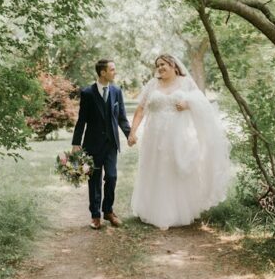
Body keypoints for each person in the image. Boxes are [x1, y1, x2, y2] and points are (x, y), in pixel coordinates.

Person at [127, 54, 232, 229]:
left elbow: (203, 103)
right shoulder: (152, 84)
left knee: (176, 169)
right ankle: (153, 210)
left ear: (174, 65)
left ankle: (179, 211)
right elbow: (140, 109)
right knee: (155, 170)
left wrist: (188, 103)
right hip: (154, 137)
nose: (160, 68)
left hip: (178, 135)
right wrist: (132, 132)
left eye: (163, 64)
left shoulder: (186, 83)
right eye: (157, 65)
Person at [72, 59, 131, 229]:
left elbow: (121, 117)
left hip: (111, 143)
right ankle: (95, 215)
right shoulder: (87, 93)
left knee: (111, 177)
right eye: (112, 69)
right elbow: (81, 120)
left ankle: (108, 211)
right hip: (92, 144)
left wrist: (129, 134)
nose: (115, 72)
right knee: (94, 180)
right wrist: (76, 142)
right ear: (102, 73)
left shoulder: (117, 91)